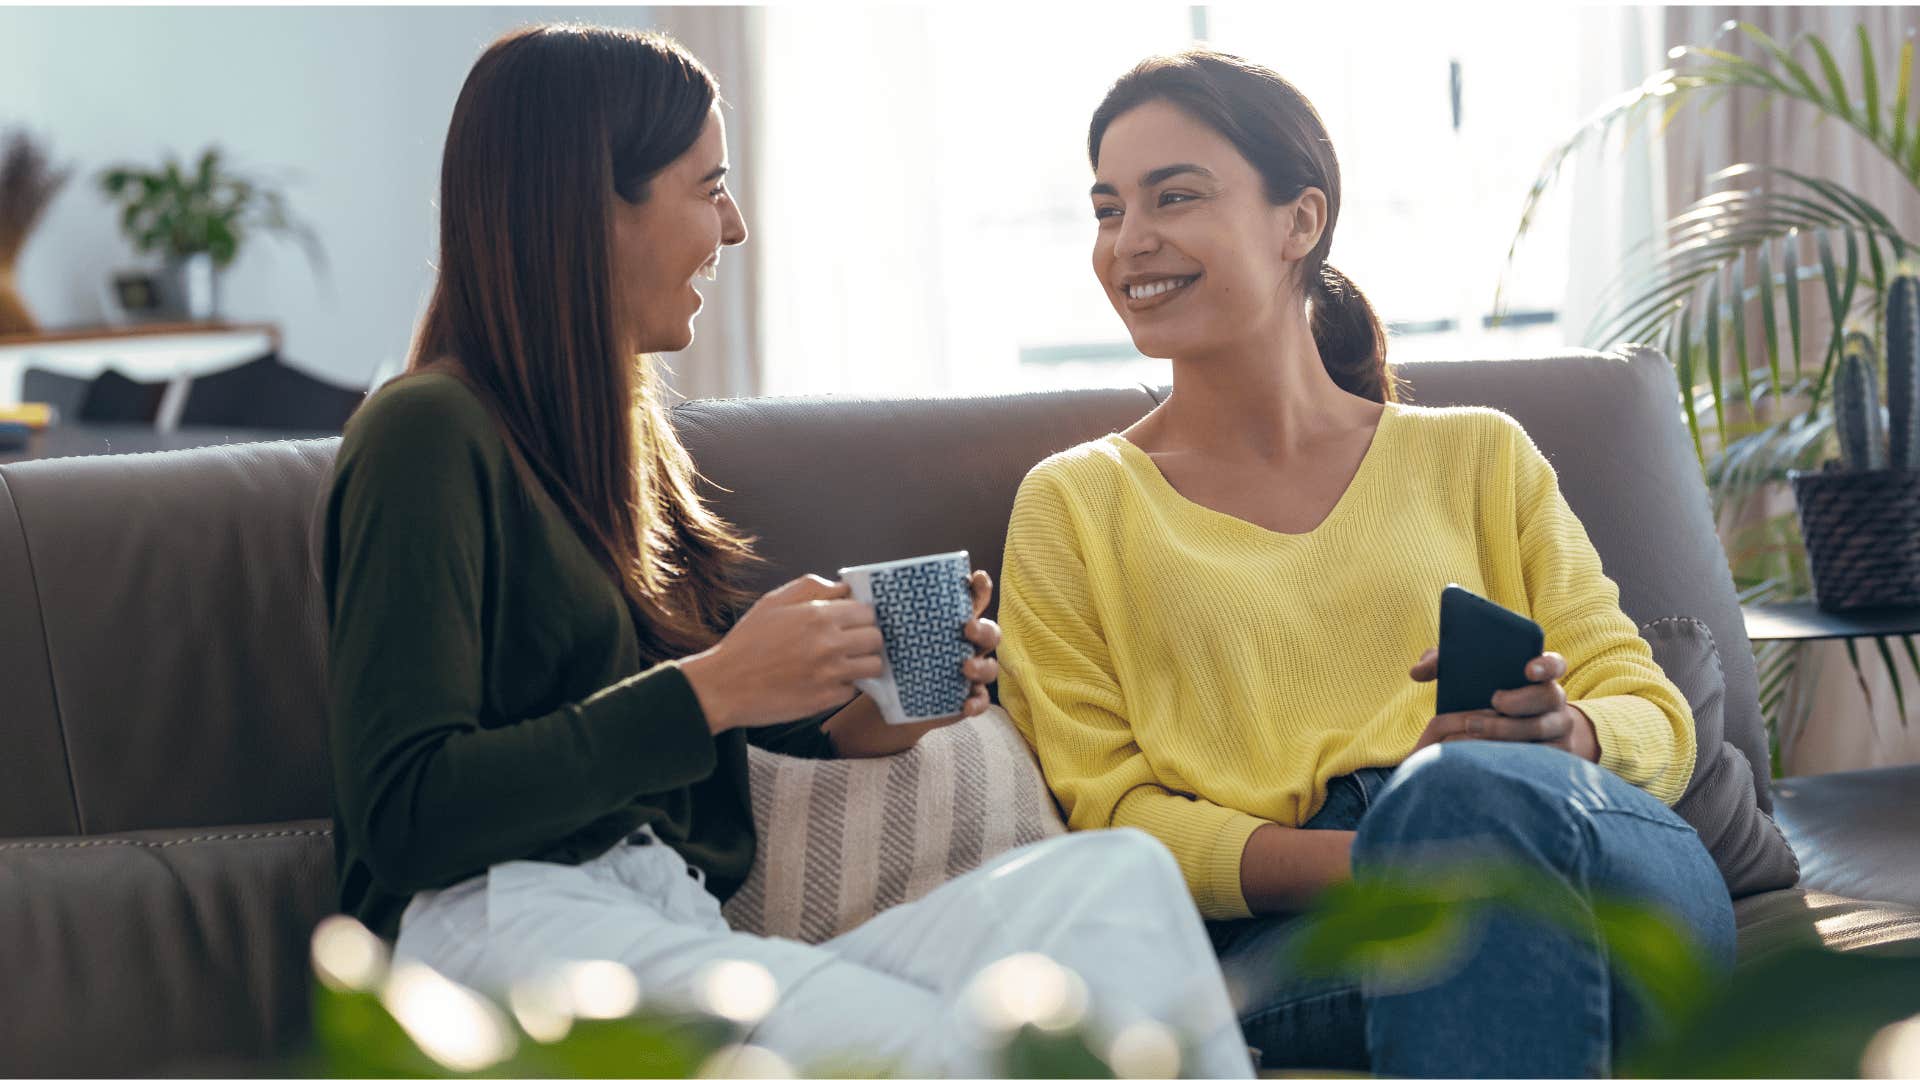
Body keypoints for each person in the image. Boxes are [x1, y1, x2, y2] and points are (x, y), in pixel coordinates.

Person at [320, 25, 1253, 1077]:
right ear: (590, 208)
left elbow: (659, 754)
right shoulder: (427, 432)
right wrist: (716, 687)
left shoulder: (616, 449)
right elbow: (405, 814)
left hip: (663, 923)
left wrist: (859, 722)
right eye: (705, 186)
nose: (735, 224)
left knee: (1114, 884)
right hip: (495, 935)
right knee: (964, 1053)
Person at [996, 47, 1736, 1078]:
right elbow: (1110, 813)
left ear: (1299, 220)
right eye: (1108, 208)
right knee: (1485, 898)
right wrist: (1399, 862)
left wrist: (1571, 735)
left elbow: (1655, 715)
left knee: (1473, 795)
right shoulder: (1074, 505)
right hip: (1312, 920)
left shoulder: (1478, 453)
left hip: (1584, 842)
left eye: (1174, 196)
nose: (1132, 241)